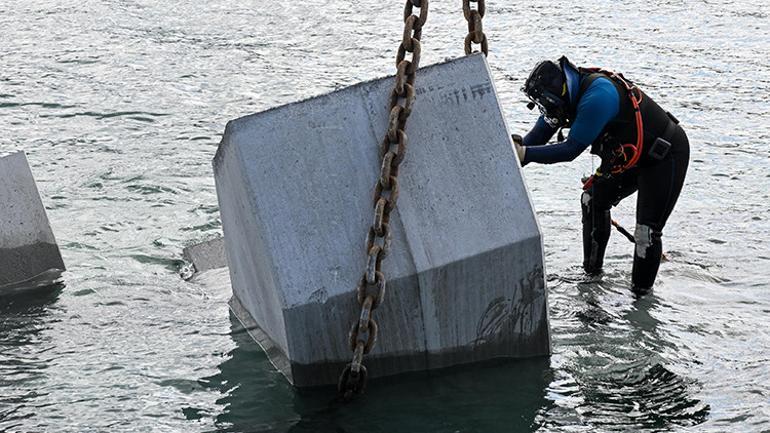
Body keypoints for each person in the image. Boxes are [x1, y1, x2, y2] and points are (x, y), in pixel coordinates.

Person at [513, 56, 689, 295]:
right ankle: (592, 277)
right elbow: (533, 143)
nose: (548, 111)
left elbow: (569, 150)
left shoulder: (598, 96)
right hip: (630, 158)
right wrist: (513, 152)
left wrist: (524, 154)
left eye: (548, 104)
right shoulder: (562, 100)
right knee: (592, 200)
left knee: (646, 233)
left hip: (664, 155)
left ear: (562, 92)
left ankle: (640, 301)